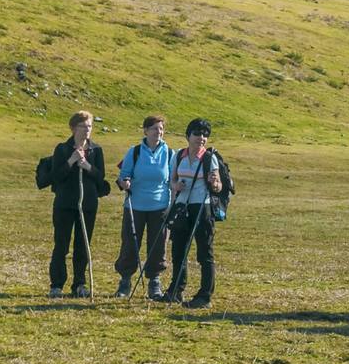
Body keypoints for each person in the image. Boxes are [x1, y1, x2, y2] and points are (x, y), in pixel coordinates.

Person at [163, 118, 222, 308]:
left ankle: (205, 296)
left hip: (202, 207)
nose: (201, 138)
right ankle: (176, 290)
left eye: (205, 134)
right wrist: (176, 186)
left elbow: (218, 186)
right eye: (197, 133)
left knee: (205, 252)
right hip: (181, 207)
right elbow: (171, 181)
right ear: (188, 136)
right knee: (178, 250)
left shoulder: (209, 158)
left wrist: (214, 183)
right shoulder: (178, 155)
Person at [114, 115, 175, 299]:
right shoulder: (134, 152)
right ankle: (125, 281)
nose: (159, 132)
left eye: (161, 129)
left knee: (158, 246)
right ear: (146, 131)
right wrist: (124, 182)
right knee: (130, 244)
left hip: (161, 206)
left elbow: (172, 179)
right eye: (155, 129)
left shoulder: (170, 153)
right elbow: (123, 175)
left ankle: (154, 281)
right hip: (135, 206)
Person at [48, 111, 107, 297]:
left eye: (90, 126)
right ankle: (56, 285)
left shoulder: (96, 150)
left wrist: (88, 167)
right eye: (83, 126)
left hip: (87, 205)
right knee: (61, 245)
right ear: (73, 128)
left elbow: (100, 177)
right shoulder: (62, 149)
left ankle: (79, 284)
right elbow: (55, 177)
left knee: (83, 245)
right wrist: (71, 161)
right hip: (65, 204)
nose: (87, 130)